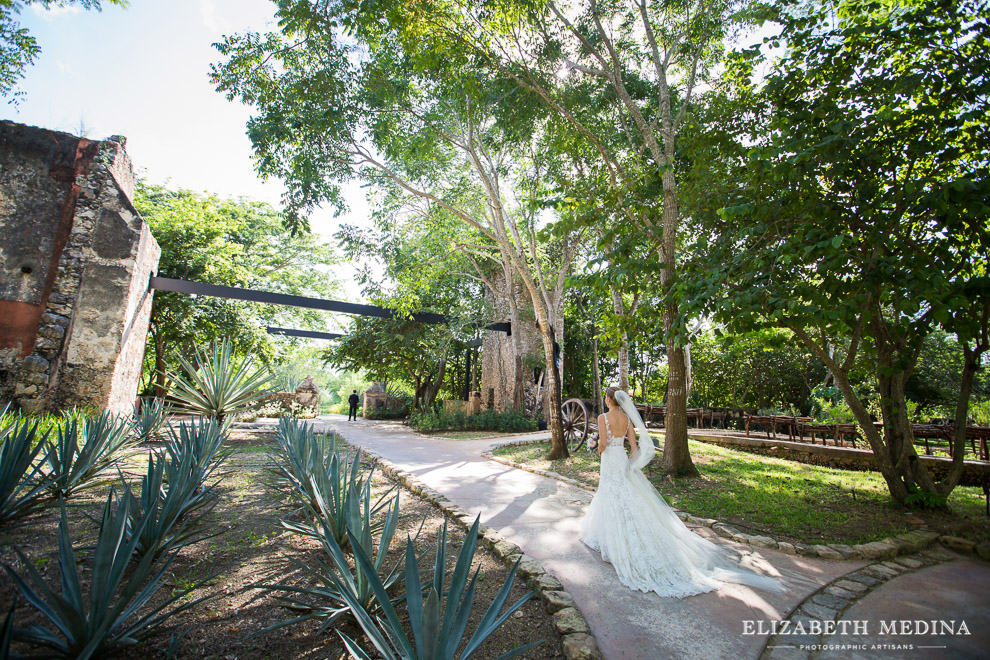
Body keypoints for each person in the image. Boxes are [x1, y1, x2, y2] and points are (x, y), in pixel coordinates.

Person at [580, 386, 782, 598]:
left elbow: (603, 443)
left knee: (611, 494)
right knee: (624, 497)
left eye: (606, 396)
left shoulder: (603, 418)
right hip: (621, 460)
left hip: (610, 461)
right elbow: (634, 448)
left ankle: (612, 539)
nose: (604, 399)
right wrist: (631, 465)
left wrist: (595, 447)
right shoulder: (628, 420)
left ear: (610, 400)